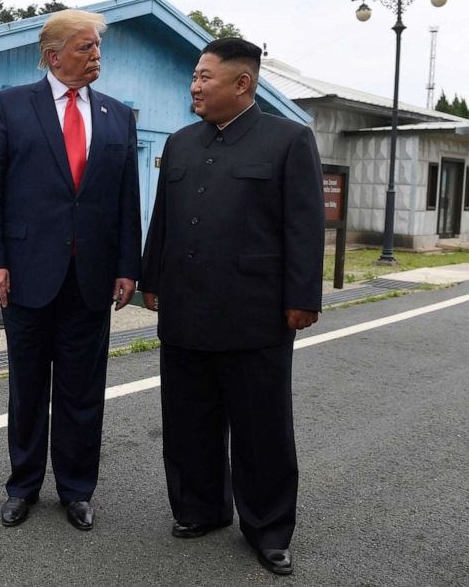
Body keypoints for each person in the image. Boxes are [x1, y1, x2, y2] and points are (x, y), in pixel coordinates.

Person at [140, 37, 324, 576]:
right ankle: (200, 510)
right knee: (188, 418)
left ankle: (268, 529)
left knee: (261, 427)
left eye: (204, 77)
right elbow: (163, 220)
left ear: (242, 84)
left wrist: (302, 297)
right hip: (186, 308)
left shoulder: (289, 139)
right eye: (194, 77)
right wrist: (153, 279)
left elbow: (305, 225)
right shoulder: (180, 143)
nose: (194, 85)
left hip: (256, 311)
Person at [0, 9, 142, 532]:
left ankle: (77, 489)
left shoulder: (118, 115)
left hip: (91, 277)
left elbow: (126, 200)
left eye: (97, 48)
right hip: (24, 274)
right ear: (53, 55)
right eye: (86, 47)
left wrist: (127, 267)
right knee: (27, 387)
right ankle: (22, 485)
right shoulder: (9, 106)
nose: (96, 56)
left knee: (82, 390)